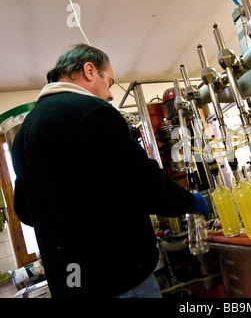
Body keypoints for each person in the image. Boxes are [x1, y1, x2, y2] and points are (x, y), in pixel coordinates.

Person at [11, 44, 209, 298]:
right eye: (110, 82)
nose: (111, 96)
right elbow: (142, 183)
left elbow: (26, 212)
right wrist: (190, 201)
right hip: (118, 279)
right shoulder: (90, 111)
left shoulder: (26, 131)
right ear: (90, 70)